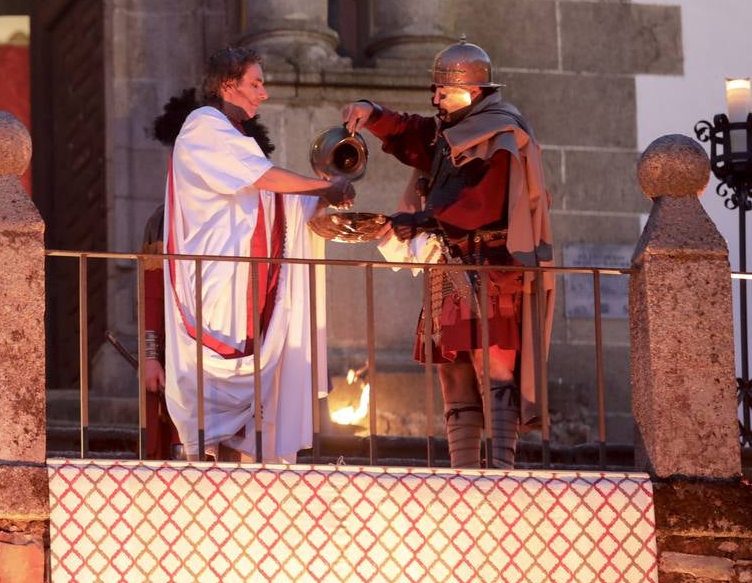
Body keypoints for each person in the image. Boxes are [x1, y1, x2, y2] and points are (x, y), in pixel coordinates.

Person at [342, 38, 553, 469]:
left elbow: (483, 203)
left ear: (472, 92)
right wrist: (373, 113)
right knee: (452, 372)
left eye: (443, 90)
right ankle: (463, 473)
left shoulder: (503, 134)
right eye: (435, 89)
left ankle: (500, 472)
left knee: (495, 369)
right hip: (449, 268)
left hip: (492, 267)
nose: (435, 98)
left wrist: (421, 220)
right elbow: (409, 132)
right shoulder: (446, 131)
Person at [163, 46, 352, 462]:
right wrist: (322, 188)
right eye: (256, 83)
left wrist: (316, 198)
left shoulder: (234, 138)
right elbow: (261, 179)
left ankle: (241, 462)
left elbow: (265, 196)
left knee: (249, 374)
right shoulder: (203, 125)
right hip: (216, 273)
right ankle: (208, 461)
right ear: (227, 85)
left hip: (244, 275)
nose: (263, 94)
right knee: (217, 369)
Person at [140, 87, 278, 459]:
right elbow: (153, 291)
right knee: (190, 447)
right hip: (185, 352)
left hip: (246, 349)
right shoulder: (164, 221)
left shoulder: (256, 219)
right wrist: (151, 356)